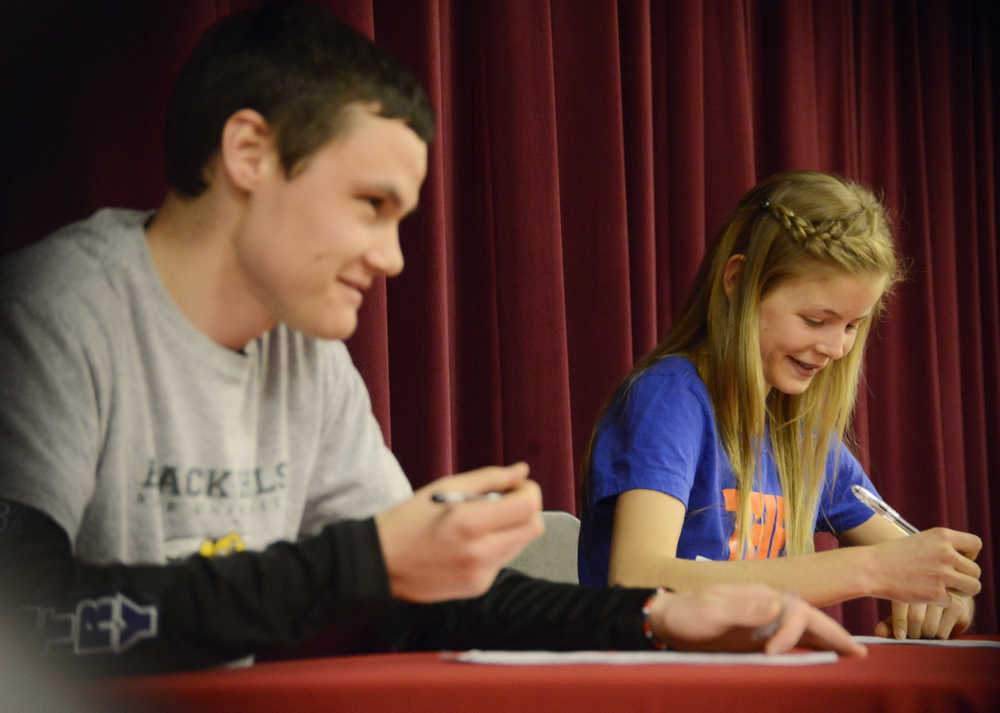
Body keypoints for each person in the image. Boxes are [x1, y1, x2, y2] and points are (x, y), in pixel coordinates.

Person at [0, 3, 865, 676]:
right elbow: (27, 617)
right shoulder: (52, 311)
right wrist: (366, 559)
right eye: (371, 206)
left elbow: (439, 601)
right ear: (249, 152)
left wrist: (650, 616)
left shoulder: (309, 362)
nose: (392, 256)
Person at [577, 171, 983, 640]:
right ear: (737, 280)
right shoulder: (670, 397)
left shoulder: (801, 432)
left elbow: (932, 573)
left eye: (852, 326)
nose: (835, 348)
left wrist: (949, 594)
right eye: (816, 320)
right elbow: (639, 580)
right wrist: (870, 569)